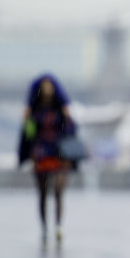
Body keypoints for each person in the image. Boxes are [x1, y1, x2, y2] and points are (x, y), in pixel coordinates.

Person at [22, 73, 74, 243]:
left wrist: (68, 117)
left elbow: (71, 132)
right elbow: (28, 134)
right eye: (44, 87)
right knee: (43, 193)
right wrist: (27, 120)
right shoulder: (34, 110)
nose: (47, 90)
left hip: (58, 152)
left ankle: (59, 225)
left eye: (50, 86)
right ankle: (44, 227)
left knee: (59, 190)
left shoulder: (61, 109)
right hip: (41, 152)